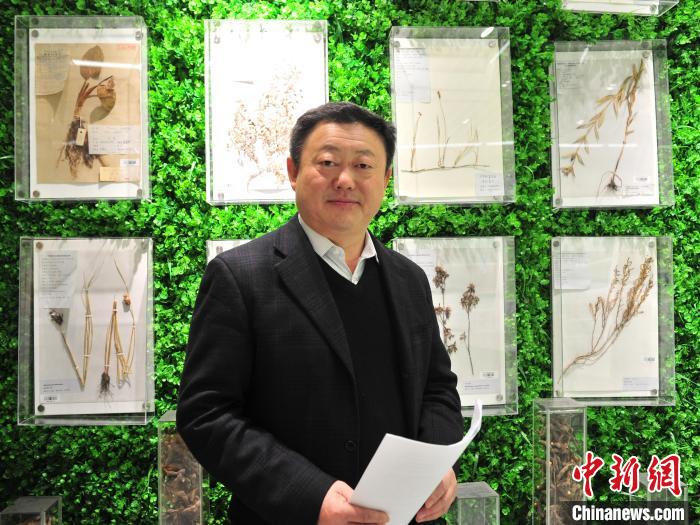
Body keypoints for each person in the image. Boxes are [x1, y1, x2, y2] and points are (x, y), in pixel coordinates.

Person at [177, 102, 464, 524]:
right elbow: (207, 413)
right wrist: (312, 497)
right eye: (327, 163)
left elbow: (437, 389)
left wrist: (436, 462)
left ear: (386, 179)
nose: (345, 180)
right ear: (293, 171)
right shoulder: (240, 276)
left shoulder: (408, 279)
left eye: (363, 165)